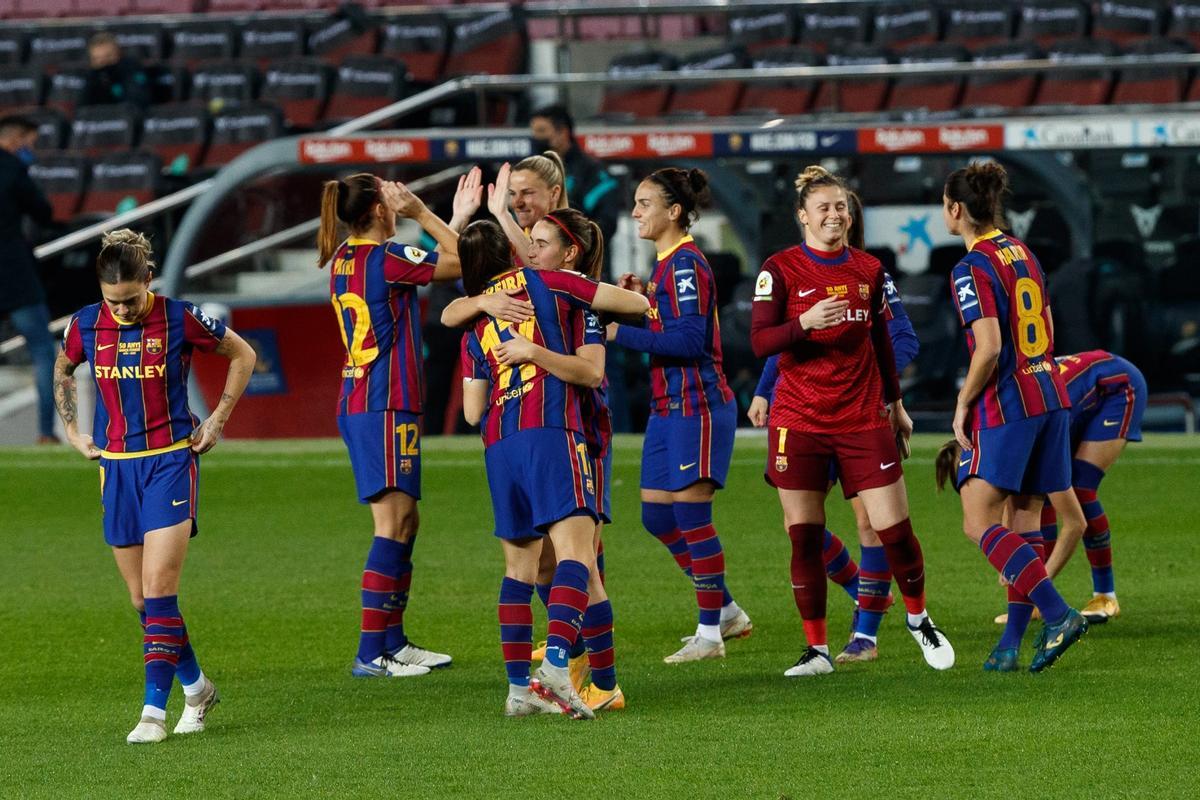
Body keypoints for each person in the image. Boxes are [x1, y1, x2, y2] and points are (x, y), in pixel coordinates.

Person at [53, 229, 256, 743]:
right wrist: (74, 431)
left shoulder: (179, 316)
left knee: (160, 588)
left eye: (130, 300)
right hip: (117, 467)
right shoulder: (84, 325)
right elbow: (63, 366)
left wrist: (217, 419)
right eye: (111, 301)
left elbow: (243, 354)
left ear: (149, 279)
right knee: (142, 601)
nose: (121, 310)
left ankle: (152, 713)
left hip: (169, 461)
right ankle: (197, 688)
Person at [750, 165, 953, 677]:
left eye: (841, 206)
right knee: (803, 536)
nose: (835, 214)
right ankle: (817, 650)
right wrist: (803, 324)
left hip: (861, 416)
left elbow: (886, 343)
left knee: (895, 529)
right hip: (798, 419)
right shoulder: (779, 269)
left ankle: (917, 618)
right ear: (803, 216)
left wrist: (896, 404)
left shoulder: (869, 270)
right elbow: (759, 342)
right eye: (824, 207)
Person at [457, 219, 648, 718]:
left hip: (499, 443)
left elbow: (471, 412)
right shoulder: (559, 289)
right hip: (554, 433)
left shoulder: (475, 322)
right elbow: (626, 326)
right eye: (527, 244)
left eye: (539, 242)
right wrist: (546, 346)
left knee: (519, 568)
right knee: (577, 558)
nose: (532, 249)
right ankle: (561, 667)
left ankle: (520, 689)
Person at [942, 160, 1087, 673]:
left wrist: (962, 403)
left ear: (955, 209)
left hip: (1008, 403)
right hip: (1050, 393)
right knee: (1024, 519)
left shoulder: (971, 267)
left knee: (978, 521)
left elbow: (988, 347)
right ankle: (1009, 648)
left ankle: (1059, 613)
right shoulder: (1022, 251)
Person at [317, 174, 462, 679]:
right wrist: (423, 212)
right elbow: (468, 263)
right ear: (381, 211)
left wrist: (452, 218)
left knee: (407, 520)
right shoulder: (388, 258)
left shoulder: (346, 259)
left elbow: (431, 264)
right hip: (383, 404)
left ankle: (393, 642)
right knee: (392, 524)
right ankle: (370, 652)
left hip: (369, 402)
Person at [607, 166, 752, 664]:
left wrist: (616, 334)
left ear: (673, 211)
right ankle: (727, 609)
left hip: (697, 406)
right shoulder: (668, 265)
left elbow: (690, 342)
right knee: (655, 514)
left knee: (692, 516)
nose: (635, 212)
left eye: (644, 203)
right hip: (668, 407)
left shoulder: (687, 264)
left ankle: (710, 634)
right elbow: (672, 323)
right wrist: (643, 302)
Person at [1029, 350, 1147, 623]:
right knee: (1040, 489)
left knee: (1080, 489)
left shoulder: (1040, 412)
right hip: (1077, 398)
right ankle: (1038, 600)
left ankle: (1106, 595)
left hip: (1119, 387)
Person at [0, 114, 57, 444]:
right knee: (41, 350)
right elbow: (43, 212)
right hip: (12, 270)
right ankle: (46, 433)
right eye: (31, 143)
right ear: (17, 139)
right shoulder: (13, 170)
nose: (32, 150)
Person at [530, 105, 622, 280]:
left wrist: (565, 243)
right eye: (534, 132)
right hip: (541, 273)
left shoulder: (592, 173)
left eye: (542, 131)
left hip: (587, 275)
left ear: (563, 132)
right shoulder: (532, 173)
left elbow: (606, 223)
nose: (536, 138)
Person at [82, 32, 150, 109]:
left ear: (118, 54)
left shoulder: (130, 69)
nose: (103, 62)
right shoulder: (91, 77)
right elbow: (83, 109)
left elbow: (137, 101)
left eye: (108, 56)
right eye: (97, 59)